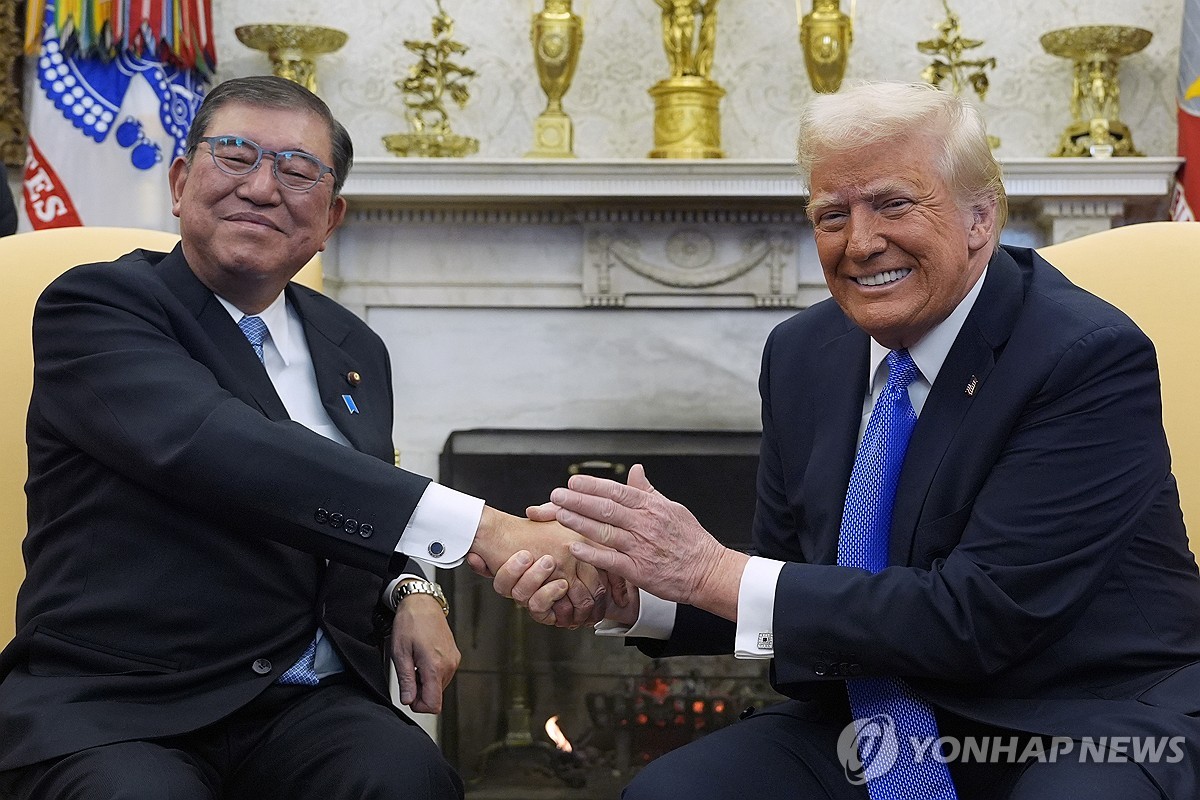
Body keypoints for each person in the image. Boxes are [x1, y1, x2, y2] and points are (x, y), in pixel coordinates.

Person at [487, 82, 1200, 799]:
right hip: (874, 717)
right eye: (833, 215)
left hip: (1080, 718)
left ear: (980, 217)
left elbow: (979, 617)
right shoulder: (803, 353)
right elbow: (788, 574)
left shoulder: (1084, 355)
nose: (861, 243)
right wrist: (634, 592)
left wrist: (710, 570)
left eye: (893, 204)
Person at [0, 76, 606, 800]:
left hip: (304, 704)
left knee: (408, 779)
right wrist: (488, 530)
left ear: (330, 218)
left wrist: (412, 585)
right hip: (123, 702)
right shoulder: (97, 307)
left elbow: (343, 500)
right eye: (234, 156)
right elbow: (221, 450)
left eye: (296, 171)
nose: (260, 188)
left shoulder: (352, 344)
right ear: (180, 179)